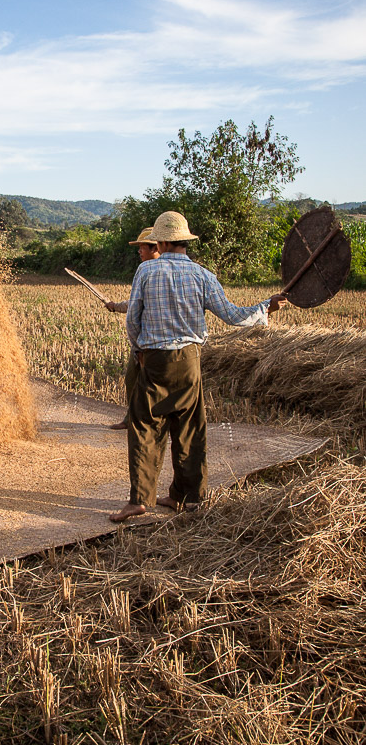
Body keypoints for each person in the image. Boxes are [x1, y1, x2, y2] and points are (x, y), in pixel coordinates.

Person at [110, 211, 288, 523]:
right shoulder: (203, 276)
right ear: (184, 241)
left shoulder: (147, 272)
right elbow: (234, 315)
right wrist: (266, 307)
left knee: (145, 425)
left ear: (162, 241)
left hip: (155, 360)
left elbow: (133, 318)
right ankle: (187, 497)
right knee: (189, 427)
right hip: (190, 360)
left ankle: (140, 500)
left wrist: (139, 349)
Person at [104, 227, 159, 430]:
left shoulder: (154, 272)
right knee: (132, 380)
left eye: (141, 247)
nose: (139, 251)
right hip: (142, 341)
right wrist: (116, 306)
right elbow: (135, 303)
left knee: (153, 385)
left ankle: (152, 423)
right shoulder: (145, 271)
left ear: (155, 247)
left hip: (154, 341)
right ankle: (131, 419)